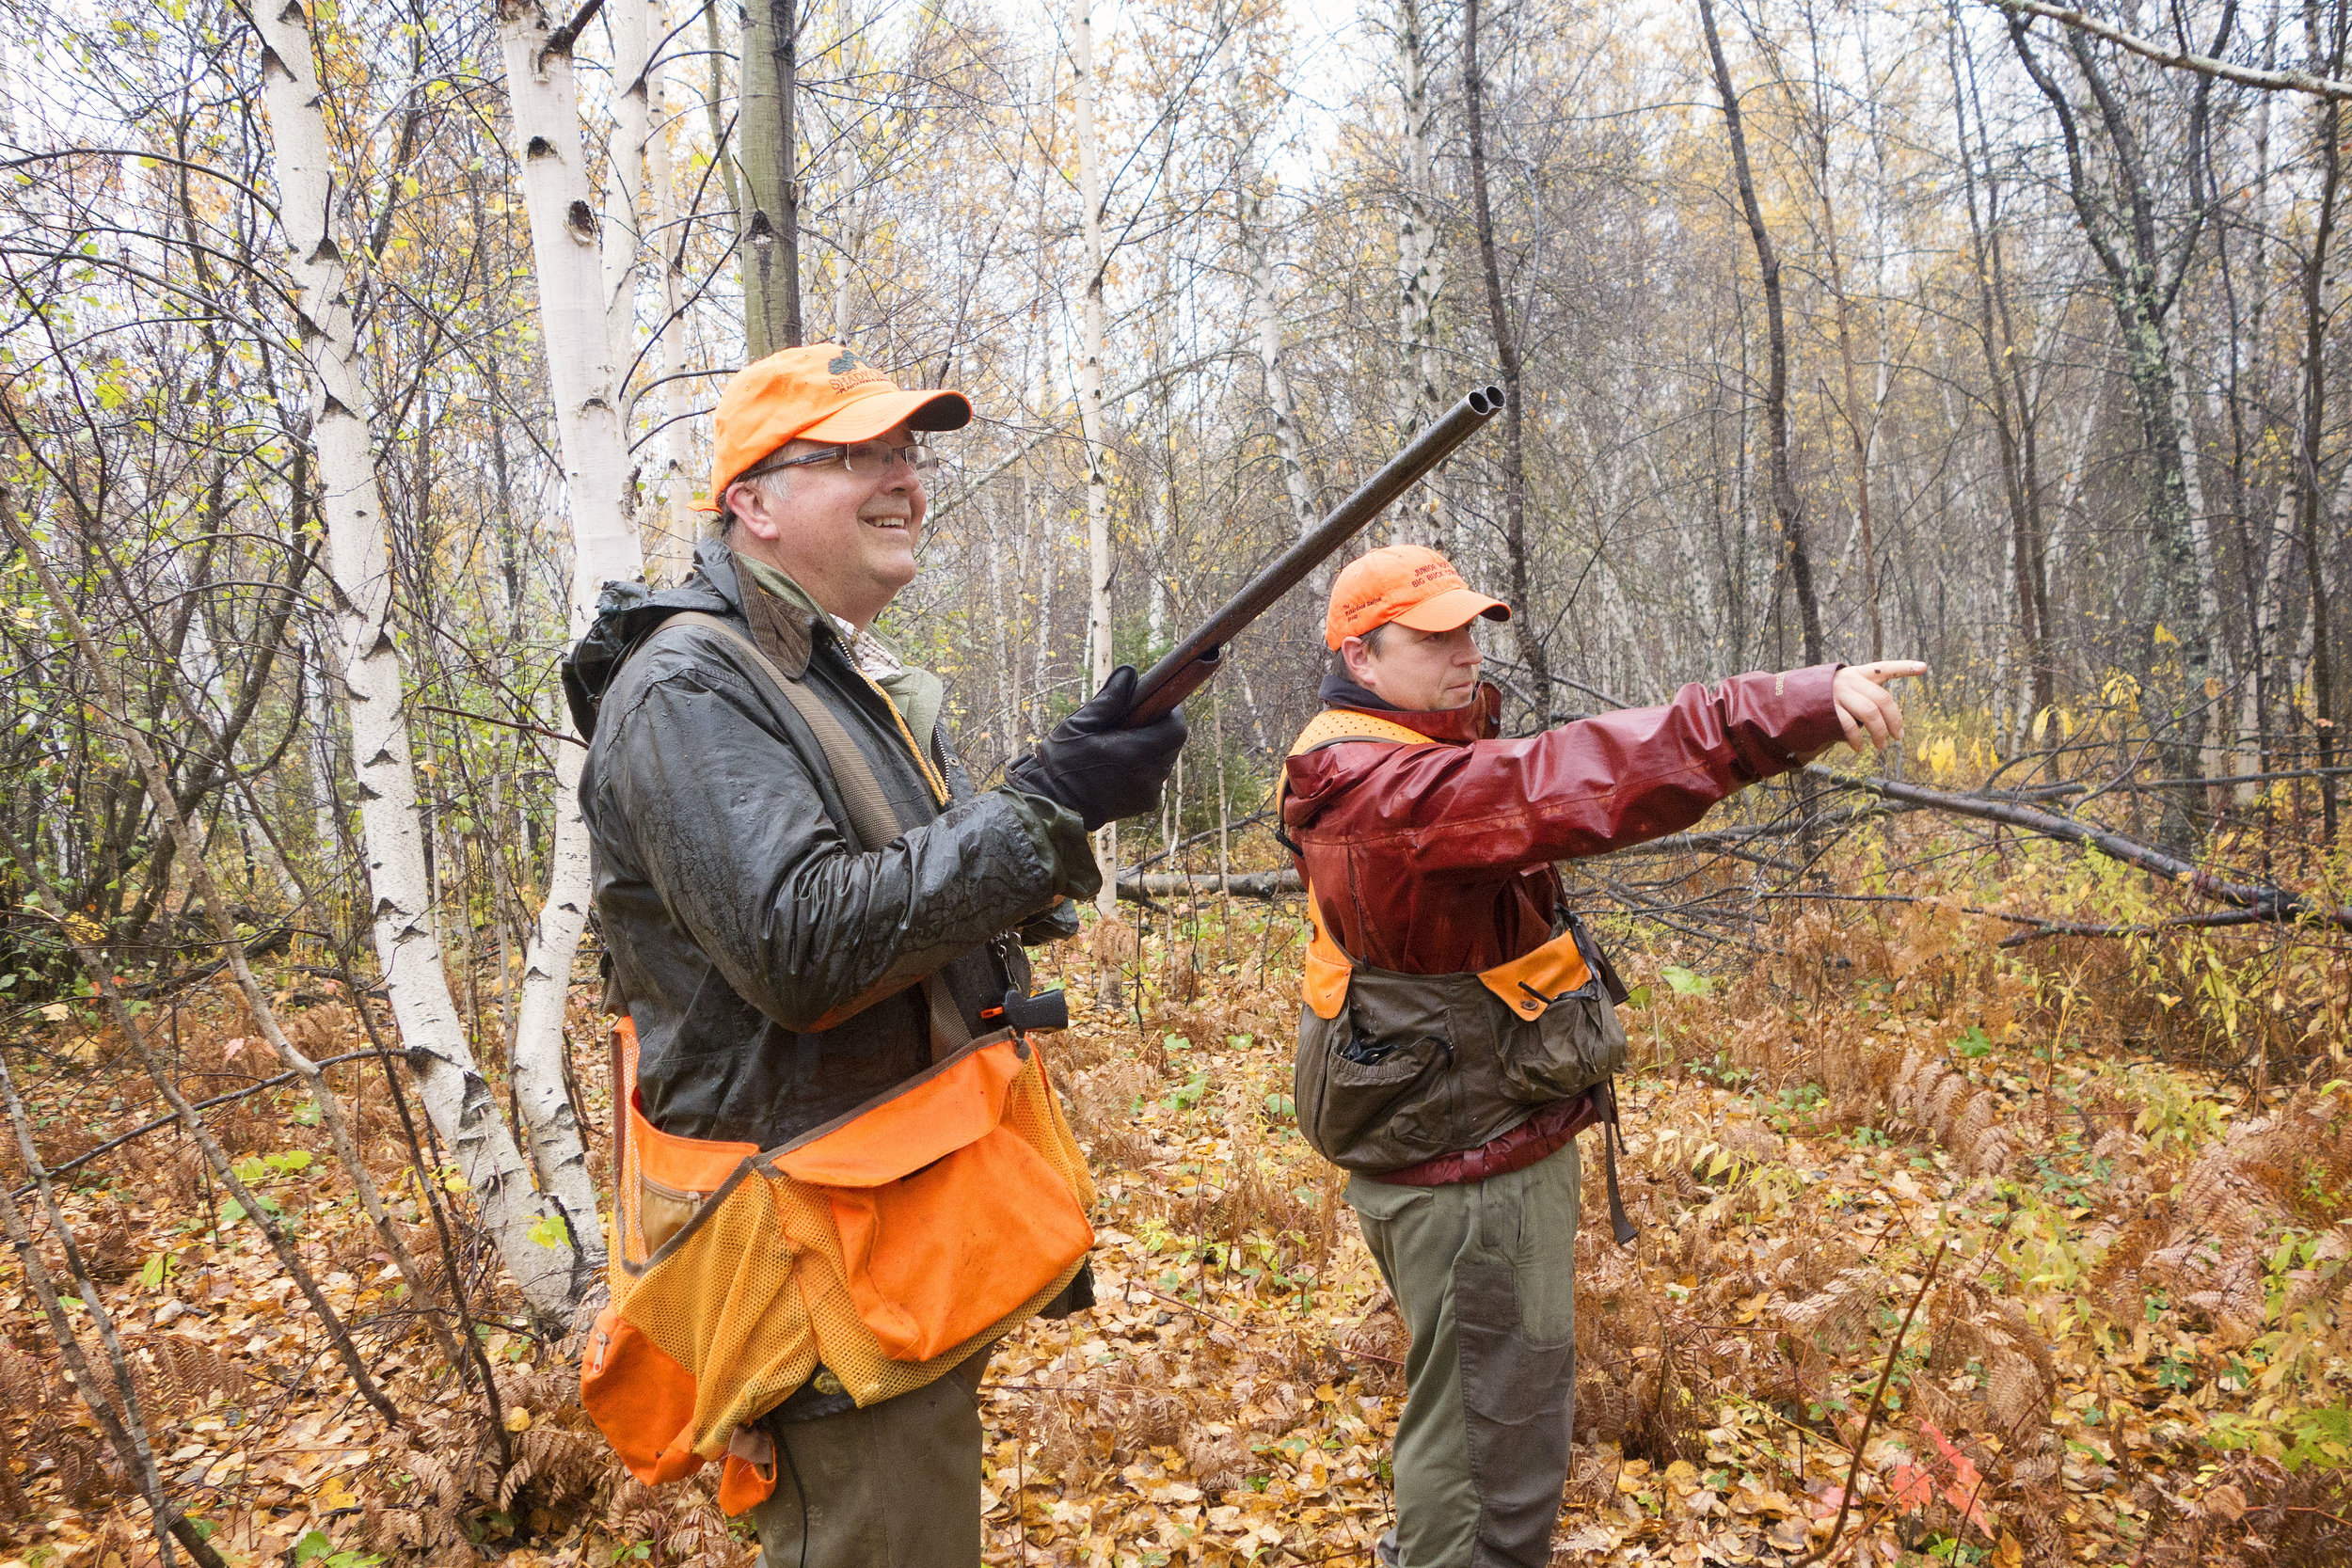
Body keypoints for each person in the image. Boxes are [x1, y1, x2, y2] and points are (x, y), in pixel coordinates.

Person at [562, 343, 1187, 1567]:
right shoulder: (689, 686)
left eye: (909, 449)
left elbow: (907, 892)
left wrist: (1049, 805)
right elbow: (803, 945)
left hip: (883, 1228)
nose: (904, 476)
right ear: (752, 500)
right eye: (858, 455)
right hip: (808, 1252)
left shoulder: (823, 669)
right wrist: (1038, 812)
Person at [1279, 544, 1922, 1568]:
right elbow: (1576, 775)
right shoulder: (1391, 787)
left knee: (1474, 1420)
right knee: (1491, 1458)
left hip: (1460, 1140)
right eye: (1434, 634)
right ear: (1360, 656)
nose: (1464, 650)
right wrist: (1787, 707)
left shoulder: (1367, 755)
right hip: (1470, 1168)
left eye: (1469, 626)